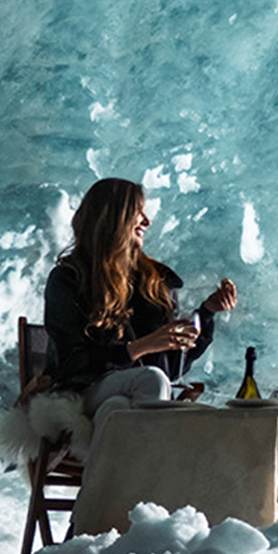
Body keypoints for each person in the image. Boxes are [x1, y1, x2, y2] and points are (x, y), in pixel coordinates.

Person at [43, 178, 238, 430]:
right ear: (113, 217)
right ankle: (154, 466)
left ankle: (121, 468)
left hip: (127, 397)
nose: (147, 221)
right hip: (83, 390)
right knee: (150, 380)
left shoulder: (153, 281)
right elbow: (71, 363)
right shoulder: (68, 279)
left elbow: (173, 369)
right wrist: (138, 348)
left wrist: (208, 312)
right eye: (138, 212)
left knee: (117, 408)